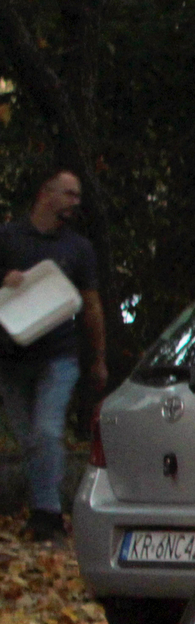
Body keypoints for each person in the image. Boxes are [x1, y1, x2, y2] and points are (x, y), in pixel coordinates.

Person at [0, 170, 106, 542]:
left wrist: (98, 357)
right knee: (30, 439)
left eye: (78, 195)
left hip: (59, 355)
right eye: (69, 194)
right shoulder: (8, 237)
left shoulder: (78, 248)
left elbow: (90, 304)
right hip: (12, 354)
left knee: (47, 430)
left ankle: (47, 513)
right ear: (46, 193)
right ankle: (43, 509)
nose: (76, 202)